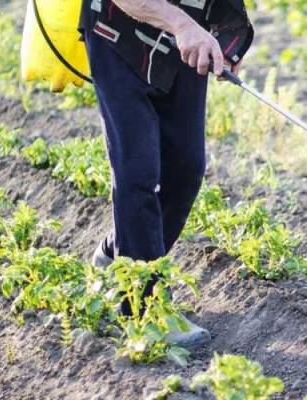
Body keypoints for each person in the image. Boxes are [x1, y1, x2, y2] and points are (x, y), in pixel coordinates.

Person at [77, 0, 253, 348]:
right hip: (118, 35)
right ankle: (144, 309)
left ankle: (114, 255)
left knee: (186, 167)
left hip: (183, 35)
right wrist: (183, 25)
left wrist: (229, 34)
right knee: (137, 170)